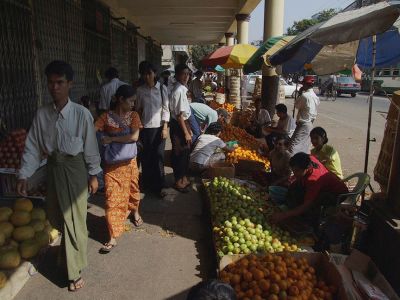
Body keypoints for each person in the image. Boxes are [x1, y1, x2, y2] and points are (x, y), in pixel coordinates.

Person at [17, 60, 101, 291]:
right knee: (57, 218)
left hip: (75, 171)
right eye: (51, 83)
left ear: (69, 84)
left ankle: (74, 273)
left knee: (74, 220)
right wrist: (24, 174)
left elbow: (91, 147)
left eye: (60, 82)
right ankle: (67, 253)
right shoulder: (42, 114)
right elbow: (33, 147)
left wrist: (94, 174)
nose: (54, 87)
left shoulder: (81, 114)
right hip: (53, 170)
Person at [95, 85, 143, 253]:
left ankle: (135, 212)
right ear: (120, 99)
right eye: (130, 101)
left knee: (133, 188)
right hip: (112, 166)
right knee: (111, 198)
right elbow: (93, 130)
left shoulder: (134, 116)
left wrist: (111, 139)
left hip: (130, 162)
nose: (133, 104)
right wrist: (102, 139)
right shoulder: (105, 117)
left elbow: (134, 136)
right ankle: (112, 236)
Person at [271, 153, 348, 227]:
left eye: (297, 171)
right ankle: (290, 208)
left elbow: (306, 205)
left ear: (307, 168)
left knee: (311, 207)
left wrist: (284, 215)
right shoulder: (307, 159)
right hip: (323, 185)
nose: (294, 173)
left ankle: (311, 226)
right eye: (293, 170)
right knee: (293, 187)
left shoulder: (314, 180)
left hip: (336, 194)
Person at [135, 62, 169, 195]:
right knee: (146, 157)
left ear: (154, 73)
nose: (147, 77)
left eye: (149, 73)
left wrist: (165, 127)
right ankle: (147, 184)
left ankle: (160, 186)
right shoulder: (140, 90)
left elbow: (166, 109)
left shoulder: (162, 89)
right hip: (145, 129)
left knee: (158, 157)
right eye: (144, 74)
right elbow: (137, 109)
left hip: (159, 128)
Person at [169, 64, 194, 192]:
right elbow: (179, 115)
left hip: (184, 123)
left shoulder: (182, 89)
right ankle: (179, 182)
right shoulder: (178, 90)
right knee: (179, 154)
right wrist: (186, 132)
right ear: (177, 75)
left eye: (188, 74)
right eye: (183, 74)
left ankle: (184, 179)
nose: (186, 77)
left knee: (185, 153)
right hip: (179, 125)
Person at [289, 76, 320, 156]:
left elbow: (296, 105)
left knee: (293, 146)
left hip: (304, 124)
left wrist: (299, 94)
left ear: (305, 85)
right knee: (304, 146)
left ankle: (293, 165)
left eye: (303, 84)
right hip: (310, 123)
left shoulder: (305, 96)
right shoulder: (315, 97)